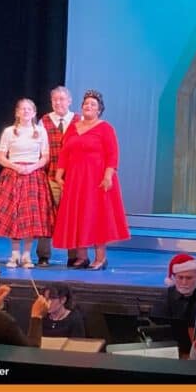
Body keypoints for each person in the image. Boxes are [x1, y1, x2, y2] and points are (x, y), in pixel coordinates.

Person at [52, 89, 130, 270]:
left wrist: (108, 176)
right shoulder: (73, 127)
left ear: (99, 110)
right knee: (78, 215)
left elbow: (113, 154)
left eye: (92, 104)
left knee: (96, 217)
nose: (88, 106)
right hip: (75, 179)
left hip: (97, 180)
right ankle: (82, 257)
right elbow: (65, 152)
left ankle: (100, 258)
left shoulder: (105, 128)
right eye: (86, 103)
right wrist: (59, 173)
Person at [0, 98, 54, 269]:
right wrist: (16, 167)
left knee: (29, 218)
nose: (26, 111)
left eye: (29, 109)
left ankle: (27, 256)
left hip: (33, 175)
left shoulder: (41, 132)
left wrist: (32, 167)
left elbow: (45, 157)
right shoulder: (9, 132)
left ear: (34, 113)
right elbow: (1, 157)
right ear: (17, 112)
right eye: (22, 109)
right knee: (14, 215)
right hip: (13, 174)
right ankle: (14, 255)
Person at [36, 86, 82, 268]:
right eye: (55, 99)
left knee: (72, 215)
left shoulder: (78, 120)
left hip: (75, 177)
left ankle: (73, 256)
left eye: (62, 99)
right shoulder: (44, 121)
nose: (58, 103)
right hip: (51, 175)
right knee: (47, 214)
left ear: (69, 101)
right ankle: (43, 255)